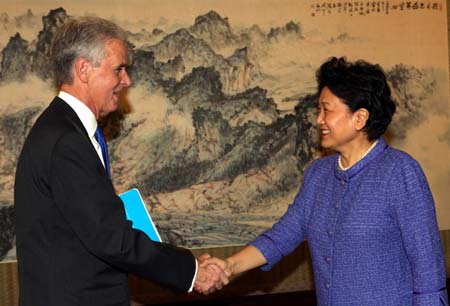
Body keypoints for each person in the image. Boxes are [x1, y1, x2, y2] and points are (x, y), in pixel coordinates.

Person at [199, 57, 448, 305]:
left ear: (359, 118)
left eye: (326, 110)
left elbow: (429, 273)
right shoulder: (318, 174)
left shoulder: (400, 172)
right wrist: (228, 266)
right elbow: (281, 236)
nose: (319, 120)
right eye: (319, 110)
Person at [14, 17, 227, 306]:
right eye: (119, 69)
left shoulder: (63, 129)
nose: (126, 80)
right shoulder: (66, 141)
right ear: (84, 69)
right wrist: (191, 271)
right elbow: (111, 238)